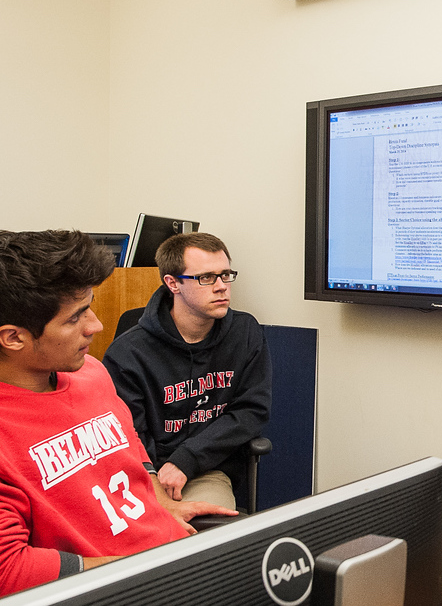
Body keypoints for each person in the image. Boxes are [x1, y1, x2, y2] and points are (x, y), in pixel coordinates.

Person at [0, 230, 236, 596]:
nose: (96, 326)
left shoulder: (90, 372)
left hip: (170, 557)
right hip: (120, 585)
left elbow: (129, 447)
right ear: (13, 337)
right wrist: (143, 566)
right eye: (75, 317)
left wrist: (158, 503)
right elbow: (9, 570)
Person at [103, 232, 271, 511]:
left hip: (205, 469)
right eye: (206, 278)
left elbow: (251, 412)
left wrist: (187, 459)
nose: (221, 287)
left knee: (205, 540)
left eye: (226, 275)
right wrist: (155, 481)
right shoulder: (128, 353)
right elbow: (128, 434)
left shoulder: (244, 332)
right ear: (172, 283)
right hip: (140, 475)